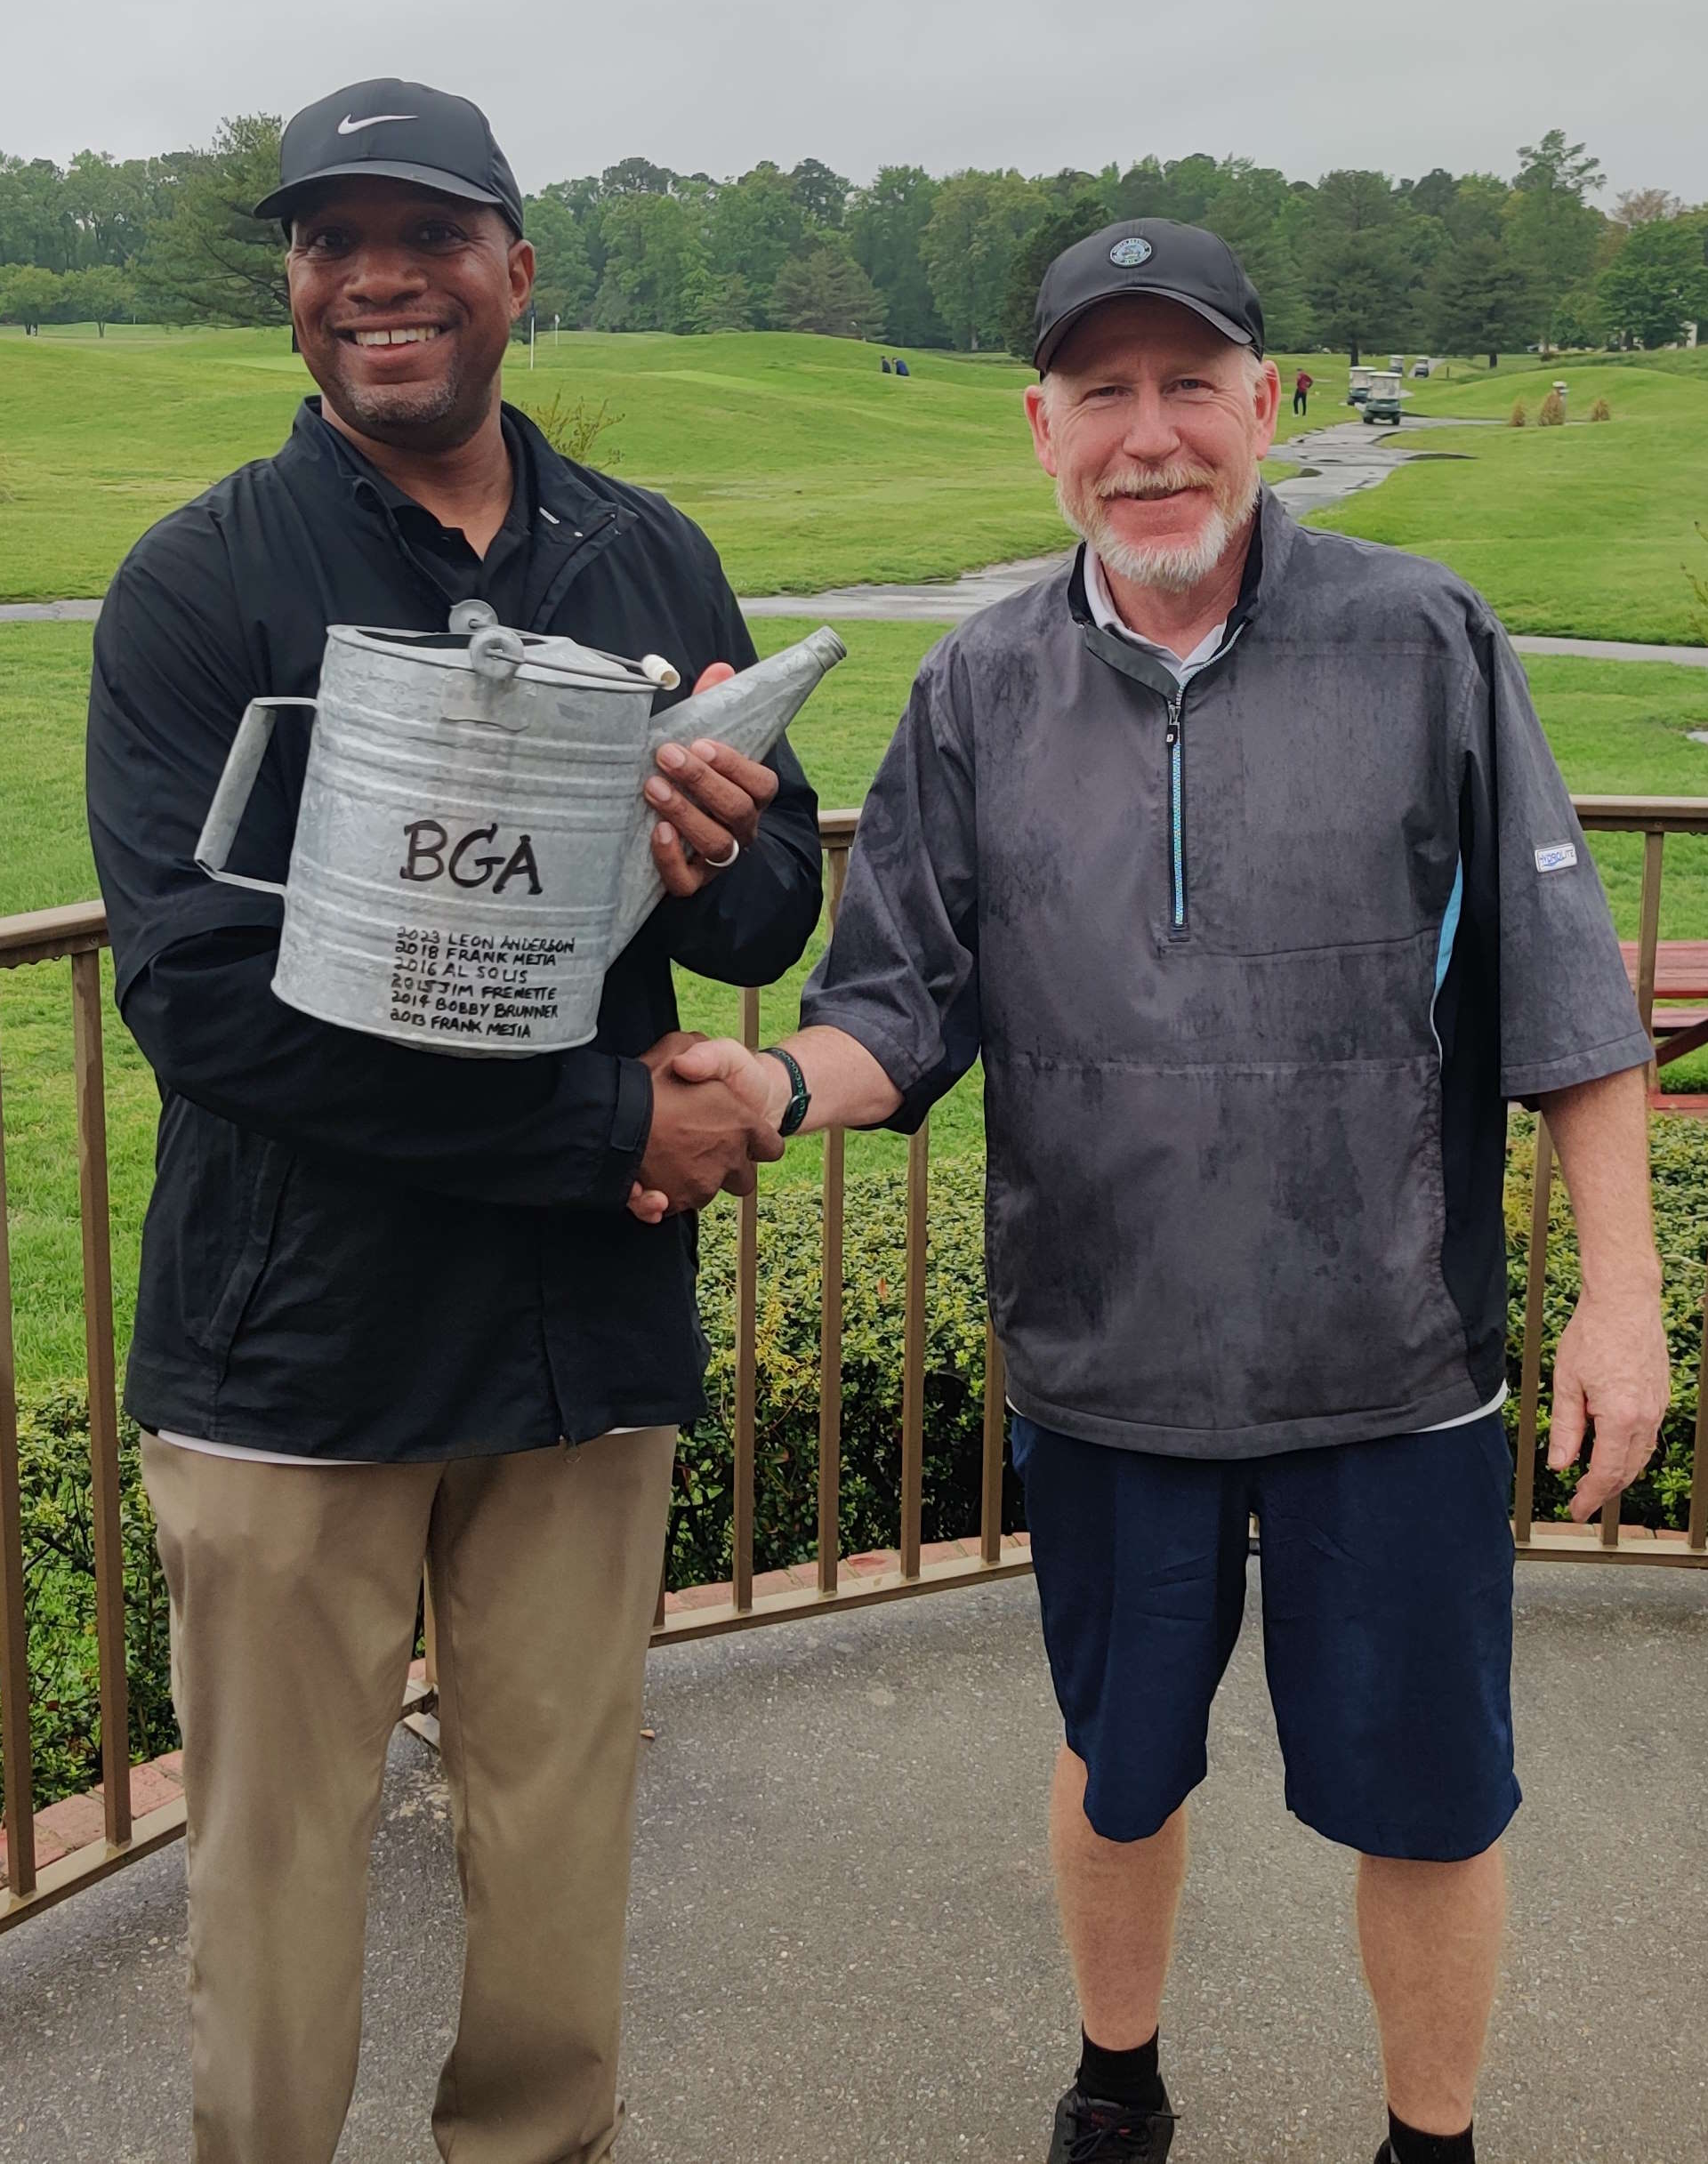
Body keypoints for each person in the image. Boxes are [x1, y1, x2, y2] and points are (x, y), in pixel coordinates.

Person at [630, 219, 1669, 2164]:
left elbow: (1564, 995)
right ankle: (1120, 2080)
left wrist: (1625, 1292)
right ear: (1043, 428)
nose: (1151, 434)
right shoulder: (978, 689)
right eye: (1103, 391)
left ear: (1264, 404)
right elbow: (892, 1004)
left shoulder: (1426, 636)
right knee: (1121, 1770)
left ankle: (1428, 2136)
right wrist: (769, 1081)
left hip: (1397, 1362)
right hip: (1106, 1364)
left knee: (1433, 1799)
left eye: (1190, 383)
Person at [85, 77, 822, 2164]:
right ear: (298, 293)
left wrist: (715, 847)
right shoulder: (203, 580)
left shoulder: (641, 548)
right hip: (291, 1341)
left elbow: (778, 901)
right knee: (279, 1869)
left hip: (575, 1337)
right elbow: (206, 1006)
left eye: (426, 234)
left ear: (517, 265)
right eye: (331, 242)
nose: (376, 276)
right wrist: (611, 1120)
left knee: (562, 1834)